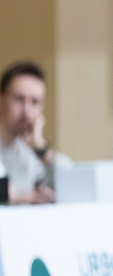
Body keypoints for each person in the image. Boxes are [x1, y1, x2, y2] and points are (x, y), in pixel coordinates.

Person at [0, 62, 66, 204]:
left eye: (35, 102)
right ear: (1, 100)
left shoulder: (30, 153)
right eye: (19, 99)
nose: (27, 111)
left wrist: (41, 148)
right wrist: (17, 197)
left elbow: (72, 180)